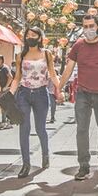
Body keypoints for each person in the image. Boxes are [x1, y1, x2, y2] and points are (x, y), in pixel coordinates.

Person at [59, 14, 98, 180]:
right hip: (83, 94)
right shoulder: (78, 46)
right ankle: (84, 166)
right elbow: (68, 69)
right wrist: (58, 88)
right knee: (81, 130)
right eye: (85, 27)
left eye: (91, 26)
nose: (88, 30)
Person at [8, 26, 61, 178]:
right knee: (24, 128)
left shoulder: (47, 54)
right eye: (28, 34)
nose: (30, 36)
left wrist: (59, 89)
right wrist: (11, 94)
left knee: (40, 129)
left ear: (39, 38)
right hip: (23, 94)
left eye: (34, 35)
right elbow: (17, 77)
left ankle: (45, 154)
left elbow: (52, 74)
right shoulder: (20, 55)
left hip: (41, 94)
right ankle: (26, 164)